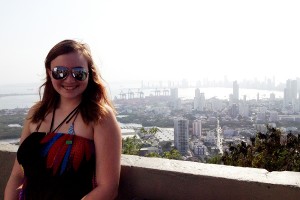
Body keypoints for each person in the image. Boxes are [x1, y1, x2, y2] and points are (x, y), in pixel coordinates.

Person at [4, 39, 122, 200]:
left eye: (78, 73)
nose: (69, 79)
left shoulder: (99, 117)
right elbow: (18, 174)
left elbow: (108, 188)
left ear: (89, 74)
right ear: (49, 72)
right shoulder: (36, 113)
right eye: (60, 72)